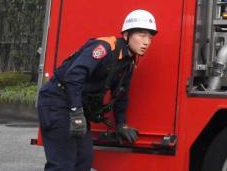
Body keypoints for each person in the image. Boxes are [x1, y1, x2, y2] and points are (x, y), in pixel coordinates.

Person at [37, 9, 157, 171]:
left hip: (77, 107)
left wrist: (121, 124)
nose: (146, 42)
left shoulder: (128, 64)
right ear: (127, 35)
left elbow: (121, 95)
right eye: (142, 35)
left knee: (84, 160)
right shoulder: (105, 48)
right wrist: (76, 110)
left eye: (150, 37)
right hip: (57, 101)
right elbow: (74, 75)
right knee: (62, 165)